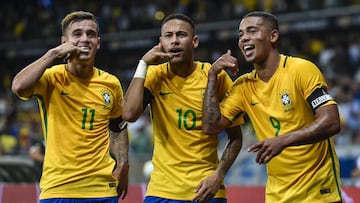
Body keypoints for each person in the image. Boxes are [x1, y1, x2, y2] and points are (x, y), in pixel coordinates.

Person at [202, 11, 343, 203]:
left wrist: (283, 141)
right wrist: (212, 76)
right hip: (277, 196)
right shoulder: (243, 87)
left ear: (273, 36)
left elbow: (332, 121)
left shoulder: (300, 69)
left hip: (318, 193)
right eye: (241, 34)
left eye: (251, 31)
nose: (244, 39)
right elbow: (211, 127)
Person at [122, 13, 243, 203]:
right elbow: (128, 114)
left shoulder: (216, 77)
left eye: (181, 35)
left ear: (194, 41)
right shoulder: (155, 76)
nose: (175, 41)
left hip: (206, 190)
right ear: (161, 42)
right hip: (162, 191)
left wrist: (218, 176)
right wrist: (143, 64)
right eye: (168, 36)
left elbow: (235, 138)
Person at [11, 11, 129, 203]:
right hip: (58, 189)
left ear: (98, 42)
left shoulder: (111, 83)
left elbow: (118, 126)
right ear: (64, 41)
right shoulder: (51, 78)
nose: (85, 39)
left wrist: (123, 163)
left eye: (91, 34)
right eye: (77, 34)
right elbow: (18, 87)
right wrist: (54, 53)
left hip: (102, 190)